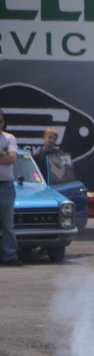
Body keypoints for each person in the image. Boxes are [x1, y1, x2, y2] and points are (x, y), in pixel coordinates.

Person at [0, 108, 22, 266]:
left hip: (5, 185)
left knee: (8, 224)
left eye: (1, 120)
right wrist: (3, 155)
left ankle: (10, 255)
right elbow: (6, 157)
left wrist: (6, 156)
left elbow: (12, 158)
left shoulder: (9, 138)